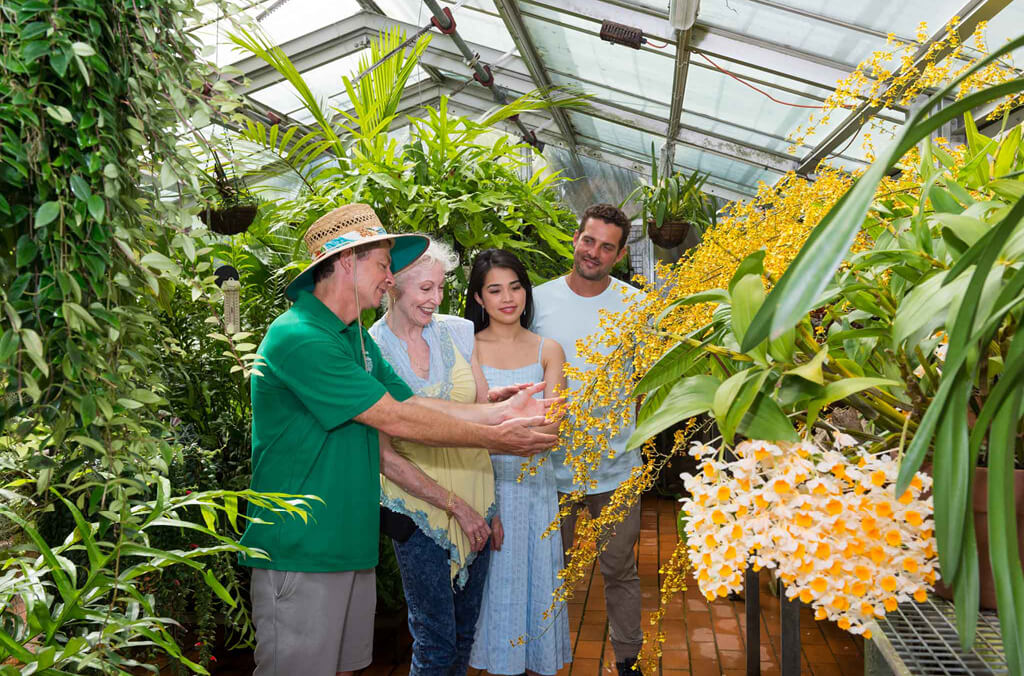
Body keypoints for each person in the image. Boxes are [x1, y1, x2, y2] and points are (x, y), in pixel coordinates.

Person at [239, 204, 559, 676]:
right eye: (384, 264)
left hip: (349, 542)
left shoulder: (354, 340)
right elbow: (398, 420)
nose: (389, 278)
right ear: (348, 262)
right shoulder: (302, 337)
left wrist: (501, 412)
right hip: (302, 547)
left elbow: (417, 403)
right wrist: (497, 438)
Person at [368, 238, 501, 676]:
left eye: (441, 288)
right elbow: (384, 456)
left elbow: (480, 416)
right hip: (418, 510)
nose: (436, 299)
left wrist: (488, 508)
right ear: (394, 288)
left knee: (465, 632)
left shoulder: (460, 331)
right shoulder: (371, 349)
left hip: (477, 498)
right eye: (425, 289)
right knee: (435, 638)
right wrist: (456, 507)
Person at [530, 204, 642, 676]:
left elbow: (647, 379)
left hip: (617, 467)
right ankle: (539, 656)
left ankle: (629, 659)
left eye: (606, 246)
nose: (593, 252)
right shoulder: (537, 301)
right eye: (588, 240)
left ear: (618, 255)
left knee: (620, 570)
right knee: (548, 574)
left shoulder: (636, 306)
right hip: (549, 467)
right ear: (576, 238)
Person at [465, 249, 572, 676]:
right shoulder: (466, 347)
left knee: (537, 588)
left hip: (536, 490)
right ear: (478, 298)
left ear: (526, 293)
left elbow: (553, 431)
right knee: (492, 593)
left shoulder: (550, 349)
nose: (507, 298)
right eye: (495, 289)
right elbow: (468, 428)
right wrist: (515, 426)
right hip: (483, 487)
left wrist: (496, 427)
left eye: (515, 287)